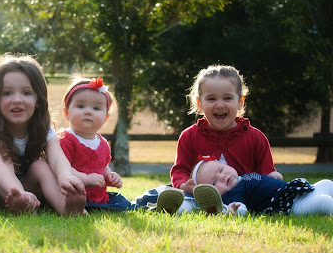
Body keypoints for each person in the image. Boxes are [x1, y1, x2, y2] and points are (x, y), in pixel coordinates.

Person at [140, 65, 282, 213]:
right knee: (166, 194)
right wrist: (184, 185)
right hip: (200, 196)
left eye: (227, 98)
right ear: (199, 103)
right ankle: (152, 205)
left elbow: (266, 173)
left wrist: (272, 177)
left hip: (244, 196)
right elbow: (180, 170)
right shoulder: (190, 136)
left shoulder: (255, 137)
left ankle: (229, 208)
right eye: (211, 99)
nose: (219, 105)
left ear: (240, 101)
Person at [0, 55, 87, 216]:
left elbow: (57, 158)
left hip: (23, 190)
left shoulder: (43, 129)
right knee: (5, 162)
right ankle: (22, 201)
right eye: (7, 93)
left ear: (38, 99)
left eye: (26, 93)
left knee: (41, 165)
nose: (17, 100)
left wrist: (65, 177)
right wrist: (19, 192)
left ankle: (67, 209)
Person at [59, 76, 133, 210]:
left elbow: (102, 166)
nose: (88, 112)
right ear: (66, 112)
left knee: (124, 204)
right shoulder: (65, 139)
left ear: (106, 118)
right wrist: (86, 179)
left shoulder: (102, 143)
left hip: (98, 197)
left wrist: (110, 176)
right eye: (80, 106)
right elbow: (61, 168)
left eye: (96, 108)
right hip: (72, 196)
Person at [192, 158, 333, 216]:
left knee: (327, 183)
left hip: (294, 192)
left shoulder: (241, 178)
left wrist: (271, 177)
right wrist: (235, 209)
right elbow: (240, 208)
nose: (222, 177)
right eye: (214, 183)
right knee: (323, 202)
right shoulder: (233, 193)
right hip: (291, 205)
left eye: (221, 170)